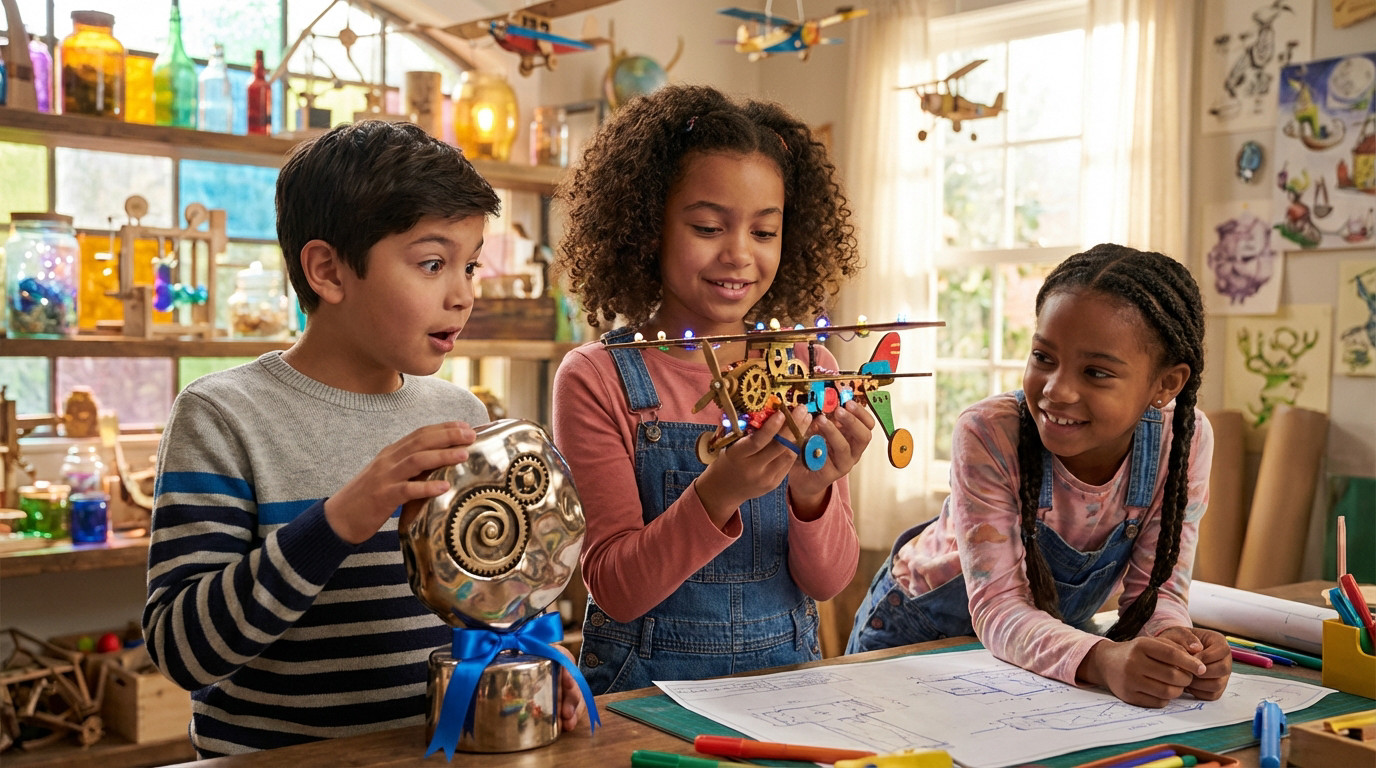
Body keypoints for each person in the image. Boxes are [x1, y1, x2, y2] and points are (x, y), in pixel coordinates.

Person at [142, 121, 584, 757]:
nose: (463, 295)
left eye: (469, 265)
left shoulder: (460, 412)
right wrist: (341, 518)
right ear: (327, 271)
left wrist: (522, 667)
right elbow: (183, 651)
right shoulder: (221, 417)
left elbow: (486, 603)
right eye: (432, 264)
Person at [551, 84, 866, 694]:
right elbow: (615, 589)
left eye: (764, 232)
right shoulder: (597, 377)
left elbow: (828, 583)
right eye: (707, 227)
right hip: (645, 700)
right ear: (647, 227)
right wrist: (717, 494)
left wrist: (812, 491)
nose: (739, 254)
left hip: (785, 689)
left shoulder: (811, 366)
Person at [848, 244, 1232, 709]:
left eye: (1096, 372)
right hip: (917, 639)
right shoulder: (989, 432)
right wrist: (1104, 660)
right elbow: (999, 607)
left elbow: (1158, 592)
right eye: (1043, 357)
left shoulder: (1184, 441)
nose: (1057, 390)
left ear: (1167, 384)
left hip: (1039, 653)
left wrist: (1177, 648)